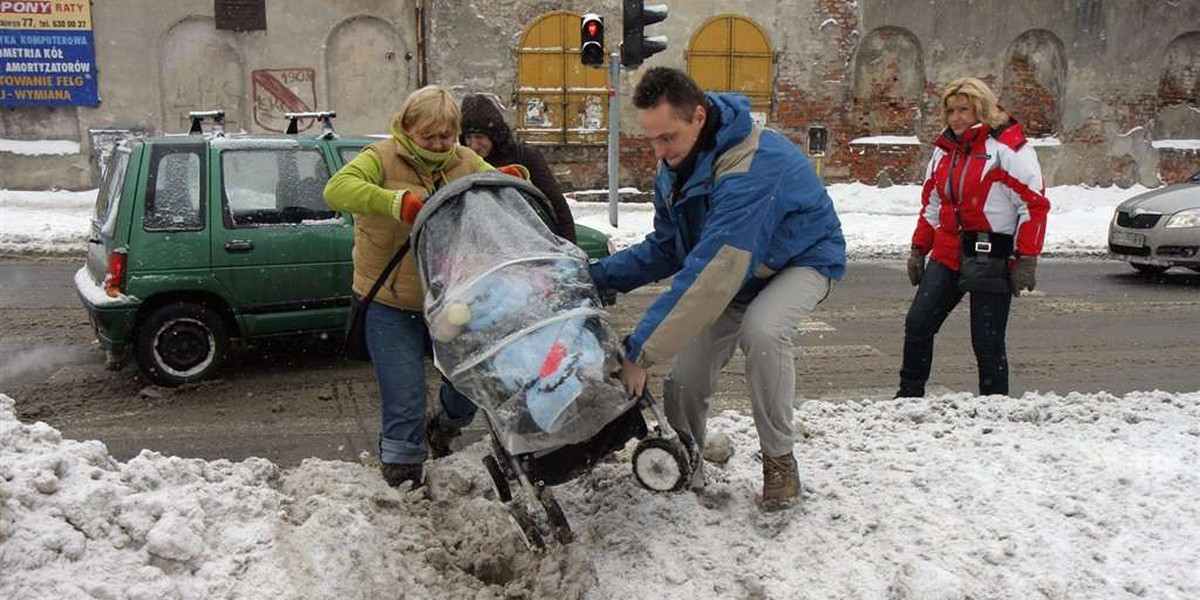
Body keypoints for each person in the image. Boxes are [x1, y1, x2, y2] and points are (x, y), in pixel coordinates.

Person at [588, 67, 846, 511]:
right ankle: (686, 457)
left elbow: (713, 272)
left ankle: (779, 461)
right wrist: (596, 277)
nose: (659, 151)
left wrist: (640, 351)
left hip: (798, 260)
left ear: (699, 118)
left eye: (667, 137)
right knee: (687, 377)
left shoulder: (751, 166)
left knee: (763, 332)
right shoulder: (677, 167)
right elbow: (669, 247)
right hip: (736, 272)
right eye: (651, 139)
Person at [324, 85, 522, 488]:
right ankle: (403, 472)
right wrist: (394, 202)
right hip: (391, 302)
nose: (438, 145)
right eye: (428, 137)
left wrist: (508, 178)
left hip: (452, 300)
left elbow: (498, 188)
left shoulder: (464, 160)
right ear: (406, 129)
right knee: (404, 396)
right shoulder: (378, 159)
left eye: (446, 136)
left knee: (471, 380)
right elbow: (336, 191)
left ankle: (444, 423)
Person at [897, 77, 1050, 399]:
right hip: (948, 251)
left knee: (987, 340)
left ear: (981, 107)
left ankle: (995, 405)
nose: (957, 118)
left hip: (991, 254)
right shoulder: (943, 151)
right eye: (951, 110)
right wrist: (918, 248)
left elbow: (1033, 205)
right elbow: (933, 204)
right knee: (918, 323)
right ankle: (909, 395)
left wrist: (1027, 257)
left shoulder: (1008, 148)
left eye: (964, 109)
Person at [459, 93, 577, 242]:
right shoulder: (463, 163)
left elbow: (556, 203)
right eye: (468, 138)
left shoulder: (525, 157)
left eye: (480, 137)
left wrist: (570, 248)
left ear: (494, 135)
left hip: (530, 242)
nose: (474, 146)